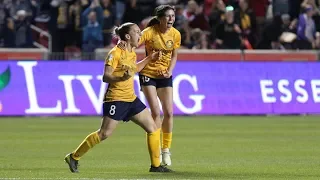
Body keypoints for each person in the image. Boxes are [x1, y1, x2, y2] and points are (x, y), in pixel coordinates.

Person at [64, 22, 173, 173]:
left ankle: (156, 166)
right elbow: (106, 77)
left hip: (131, 99)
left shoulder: (132, 52)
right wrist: (122, 77)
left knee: (153, 128)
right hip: (115, 99)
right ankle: (74, 157)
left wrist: (149, 58)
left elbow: (133, 69)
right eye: (137, 32)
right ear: (128, 36)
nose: (140, 35)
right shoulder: (114, 53)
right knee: (104, 134)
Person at [119, 5, 181, 166]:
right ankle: (156, 154)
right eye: (167, 16)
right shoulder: (149, 33)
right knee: (156, 111)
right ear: (160, 18)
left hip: (164, 75)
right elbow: (132, 43)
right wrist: (122, 51)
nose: (171, 19)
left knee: (169, 112)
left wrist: (169, 70)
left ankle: (166, 149)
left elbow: (174, 56)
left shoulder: (175, 34)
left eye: (173, 16)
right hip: (148, 74)